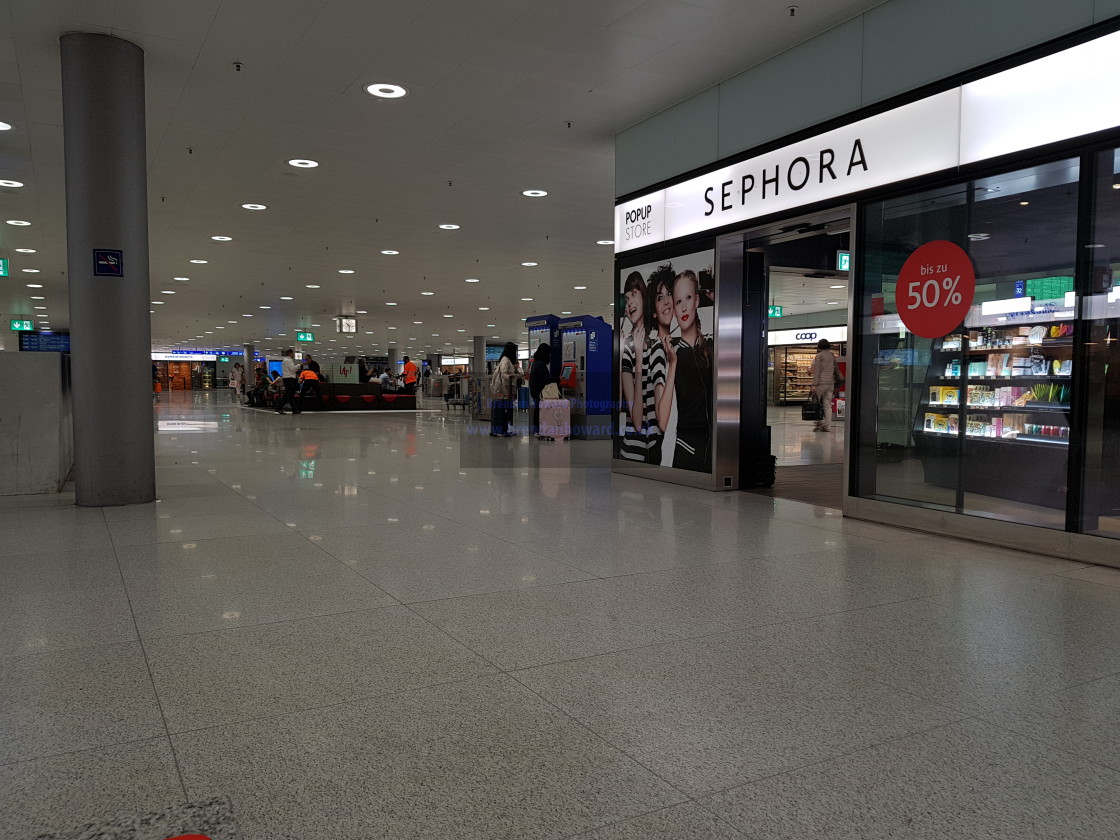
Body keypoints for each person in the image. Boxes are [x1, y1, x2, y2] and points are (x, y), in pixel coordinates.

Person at [662, 269, 713, 472]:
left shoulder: (711, 347)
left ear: (697, 300)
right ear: (673, 308)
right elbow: (664, 421)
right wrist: (673, 363)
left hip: (713, 449)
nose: (683, 307)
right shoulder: (672, 351)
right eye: (678, 301)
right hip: (687, 449)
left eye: (688, 298)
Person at [646, 264, 676, 465]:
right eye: (659, 297)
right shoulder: (659, 351)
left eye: (669, 294)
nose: (666, 301)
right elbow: (662, 419)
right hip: (662, 448)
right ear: (654, 312)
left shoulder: (671, 346)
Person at [619, 271, 650, 461]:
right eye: (626, 298)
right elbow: (635, 417)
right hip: (634, 451)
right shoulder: (628, 348)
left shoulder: (656, 341)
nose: (630, 302)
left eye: (634, 294)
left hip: (657, 450)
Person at [528, 343, 559, 438]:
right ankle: (539, 430)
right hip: (540, 393)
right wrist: (558, 379)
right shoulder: (541, 365)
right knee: (540, 411)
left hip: (535, 391)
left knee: (537, 410)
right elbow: (545, 380)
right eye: (548, 354)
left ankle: (536, 430)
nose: (549, 356)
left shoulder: (535, 363)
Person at [490, 342, 520, 436]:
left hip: (506, 389)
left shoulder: (506, 360)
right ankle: (501, 430)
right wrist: (512, 376)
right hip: (504, 390)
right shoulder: (506, 360)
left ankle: (504, 429)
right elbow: (504, 374)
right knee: (503, 410)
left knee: (504, 409)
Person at [810, 337, 838, 432]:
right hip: (830, 383)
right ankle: (827, 426)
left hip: (821, 383)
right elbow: (835, 369)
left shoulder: (819, 356)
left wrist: (814, 384)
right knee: (827, 404)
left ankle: (818, 422)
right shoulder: (832, 355)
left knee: (815, 402)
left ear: (819, 346)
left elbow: (817, 371)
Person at [276, 348, 301, 414]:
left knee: (290, 395)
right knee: (288, 394)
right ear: (290, 353)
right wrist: (299, 365)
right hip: (290, 378)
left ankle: (294, 409)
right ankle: (279, 407)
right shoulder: (289, 360)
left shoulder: (284, 360)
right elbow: (292, 369)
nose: (293, 355)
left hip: (286, 378)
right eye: (293, 353)